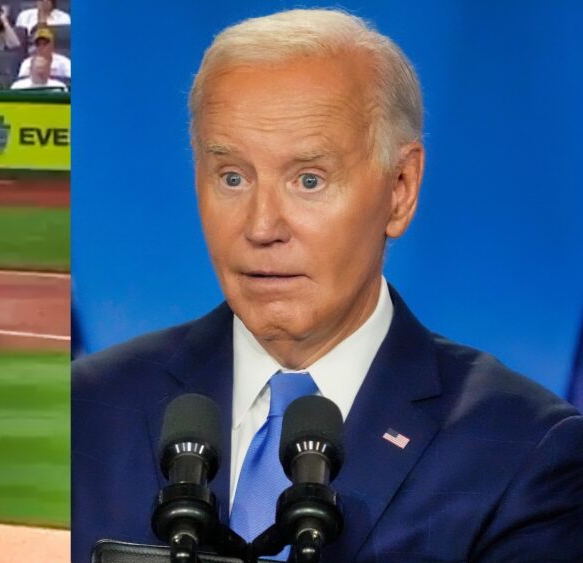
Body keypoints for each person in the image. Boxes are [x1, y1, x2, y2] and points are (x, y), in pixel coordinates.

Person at [71, 8, 583, 563]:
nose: (262, 227)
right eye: (233, 177)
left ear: (401, 189)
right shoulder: (90, 406)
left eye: (309, 180)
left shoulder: (524, 453)